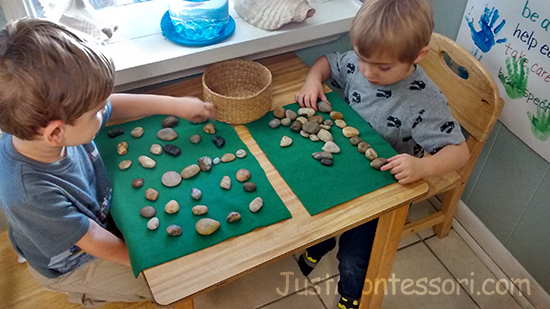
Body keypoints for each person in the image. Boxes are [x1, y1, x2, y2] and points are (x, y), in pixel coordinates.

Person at [0, 18, 215, 307]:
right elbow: (92, 240)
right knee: (163, 285)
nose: (105, 110)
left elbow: (115, 103)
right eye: (97, 112)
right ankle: (86, 293)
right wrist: (156, 262)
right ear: (56, 133)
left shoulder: (51, 132)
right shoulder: (28, 194)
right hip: (73, 261)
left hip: (78, 219)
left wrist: (174, 105)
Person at [294, 0, 470, 308]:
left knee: (355, 255)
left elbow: (459, 153)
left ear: (418, 56)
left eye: (383, 67)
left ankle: (351, 295)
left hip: (383, 185)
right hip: (347, 162)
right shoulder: (364, 61)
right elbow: (328, 61)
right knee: (323, 212)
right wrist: (312, 79)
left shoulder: (425, 102)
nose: (367, 72)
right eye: (362, 59)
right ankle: (320, 244)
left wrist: (422, 166)